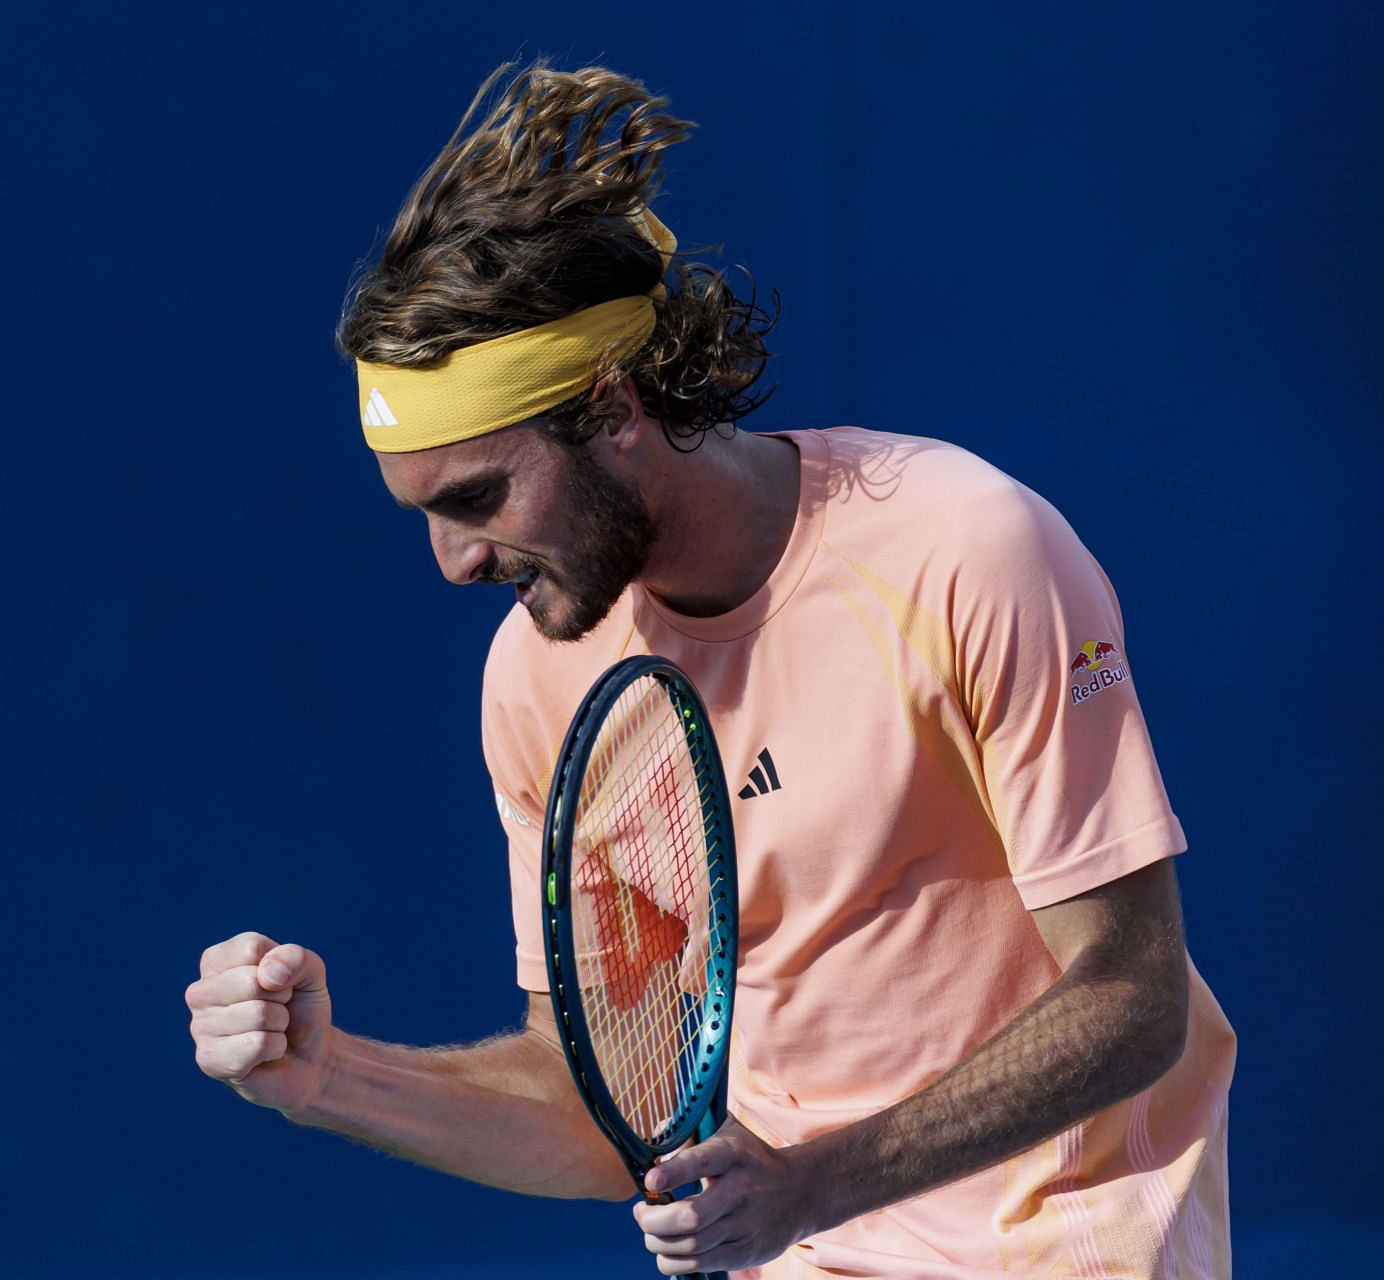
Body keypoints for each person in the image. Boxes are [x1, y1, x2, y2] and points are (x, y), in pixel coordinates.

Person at [185, 63, 1234, 1277]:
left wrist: (813, 1181)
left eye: (477, 496)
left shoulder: (967, 550)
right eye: (421, 513)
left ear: (613, 406)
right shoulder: (539, 680)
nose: (452, 561)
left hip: (1063, 1244)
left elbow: (1133, 995)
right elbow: (597, 1109)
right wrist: (330, 1076)